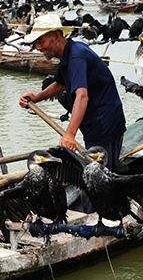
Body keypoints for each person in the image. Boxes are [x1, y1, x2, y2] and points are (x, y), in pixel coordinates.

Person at [18, 14, 126, 170]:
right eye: (36, 43)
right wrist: (36, 98)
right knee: (98, 170)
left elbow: (82, 97)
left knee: (101, 174)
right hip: (94, 124)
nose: (39, 47)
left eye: (41, 41)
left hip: (105, 123)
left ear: (56, 36)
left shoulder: (76, 56)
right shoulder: (68, 54)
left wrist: (69, 134)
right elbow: (59, 84)